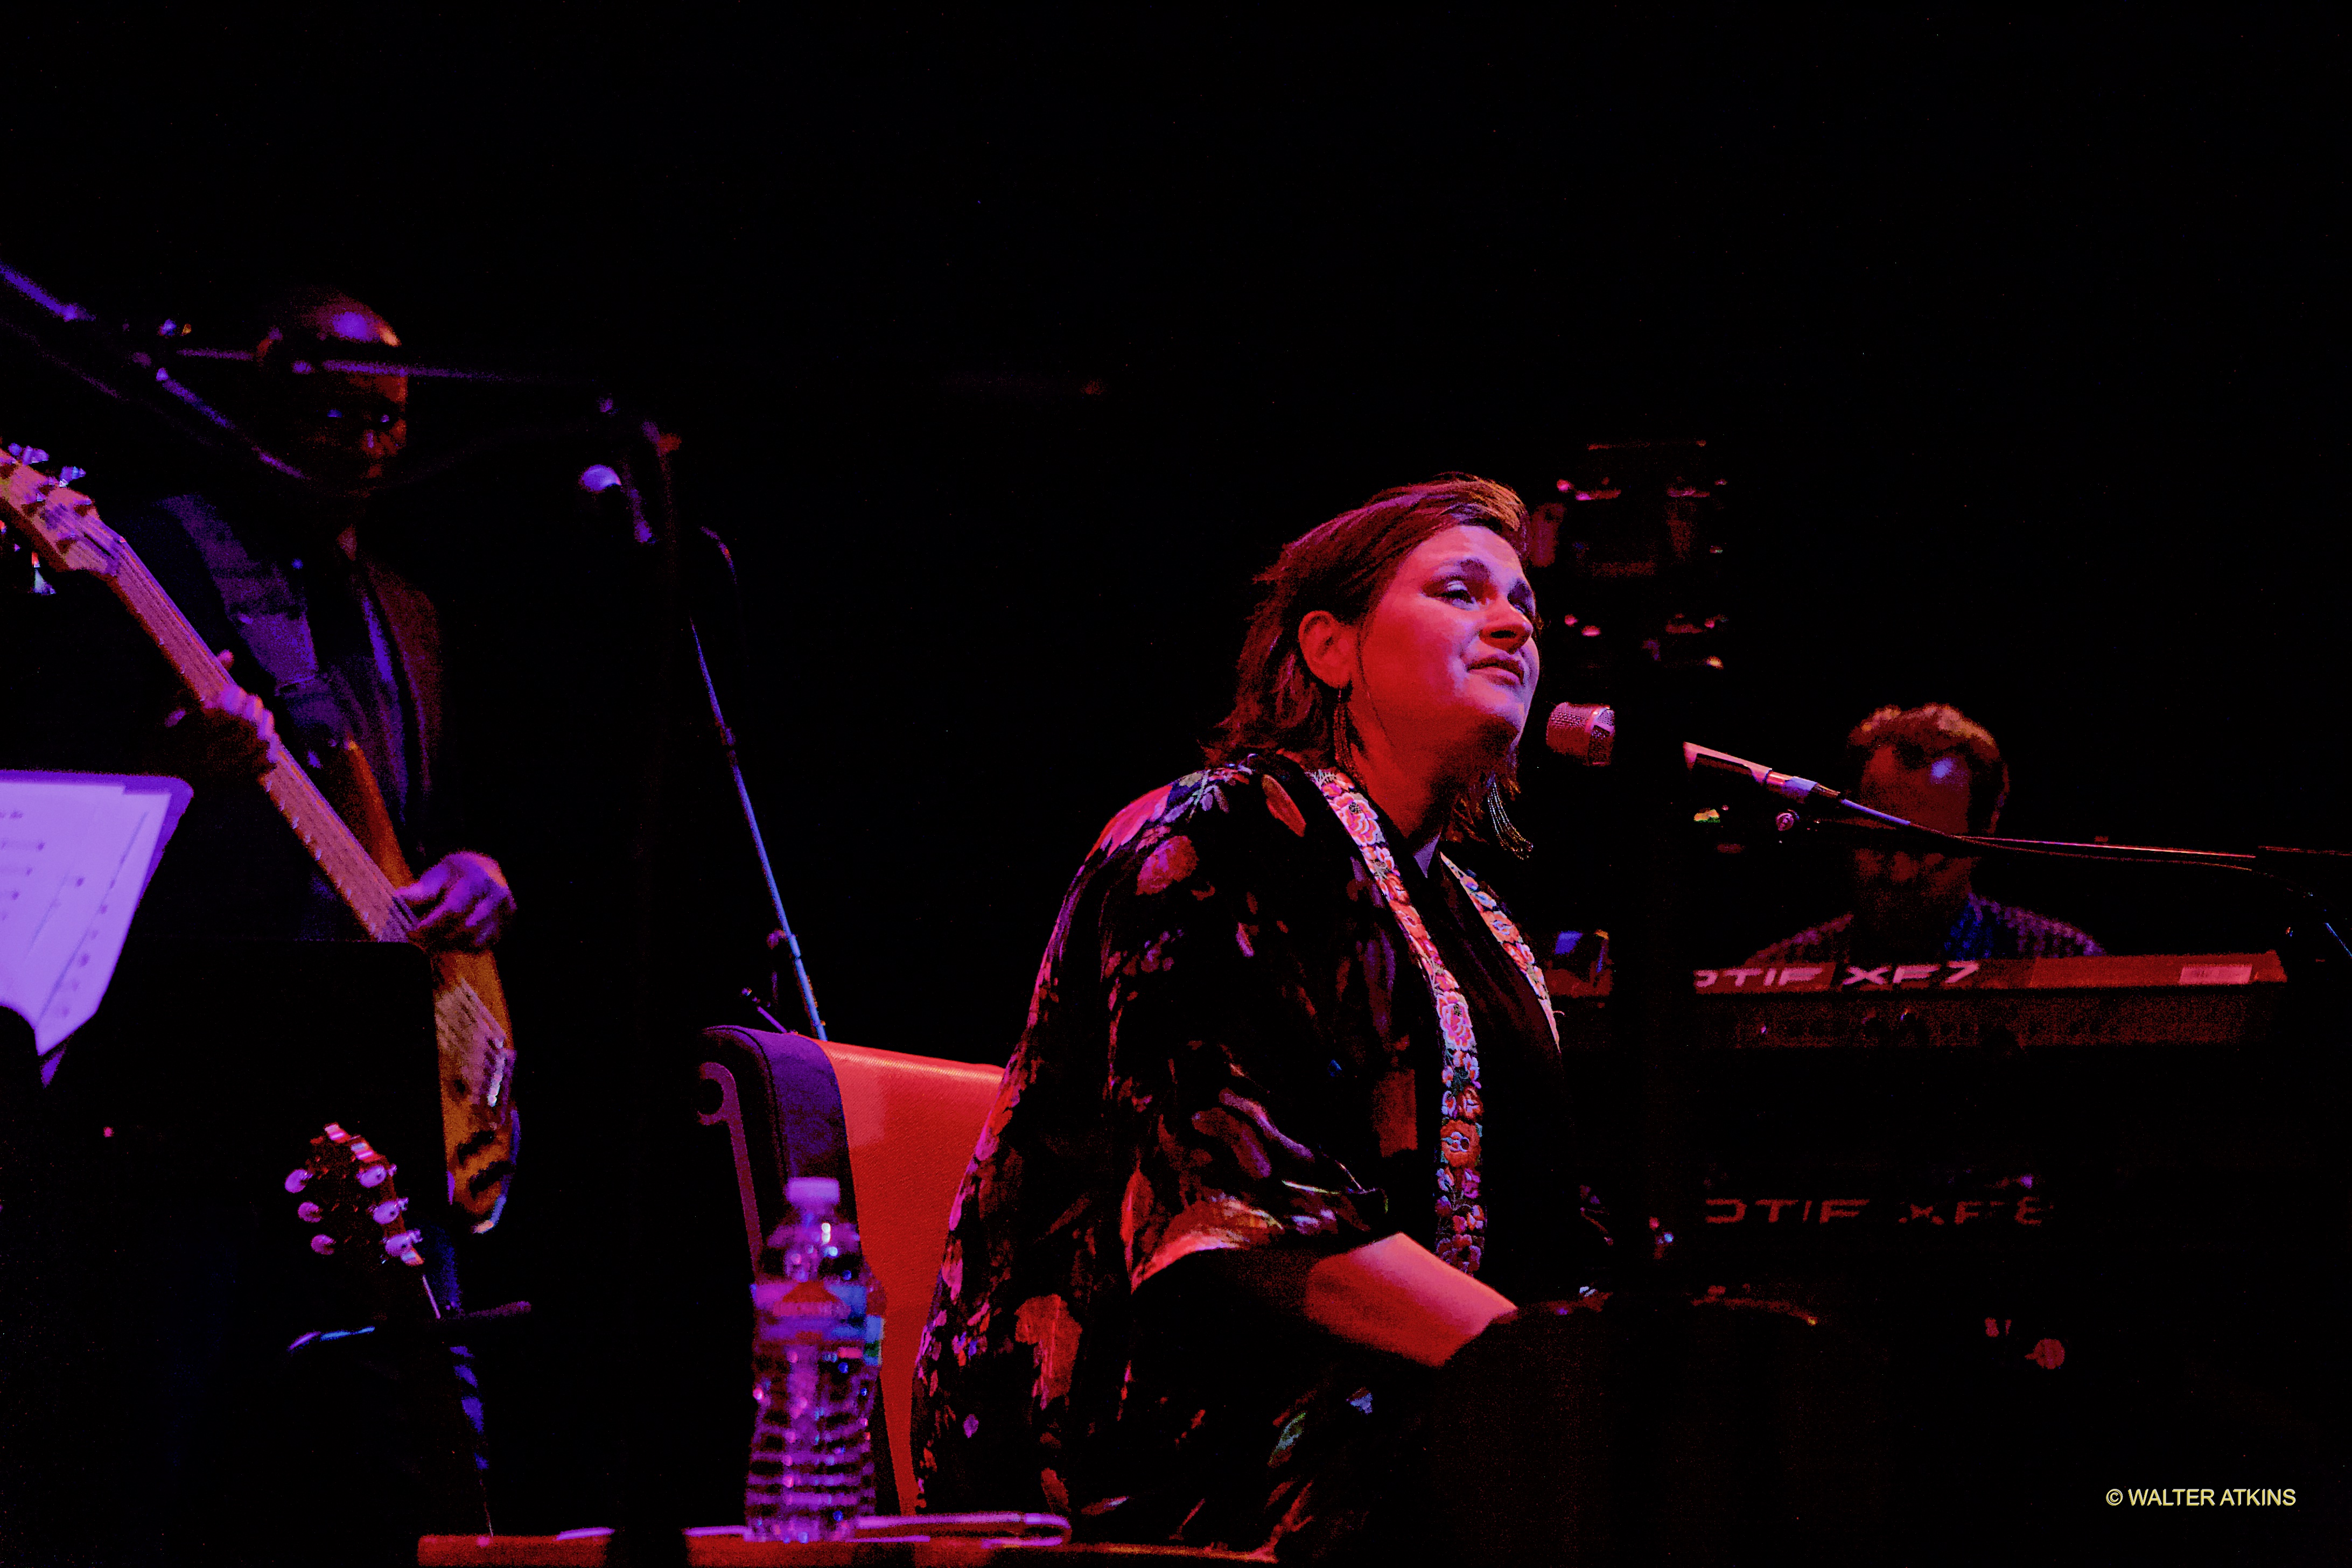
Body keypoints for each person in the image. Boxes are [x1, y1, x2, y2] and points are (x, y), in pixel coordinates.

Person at [911, 477, 1607, 1560]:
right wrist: (1544, 1371)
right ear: (1328, 648)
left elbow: (1544, 1216)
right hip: (1173, 1440)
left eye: (1525, 605)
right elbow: (1232, 1217)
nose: (1515, 623)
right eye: (1462, 592)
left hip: (1406, 1409)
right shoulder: (1210, 840)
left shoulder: (1474, 915)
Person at [0, 288, 513, 1565]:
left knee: (405, 1463)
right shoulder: (162, 552)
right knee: (151, 1456)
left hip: (386, 1076)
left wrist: (478, 877)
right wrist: (175, 758)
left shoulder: (410, 609)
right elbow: (59, 785)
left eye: (388, 416)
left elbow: (413, 827)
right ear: (260, 407)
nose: (365, 441)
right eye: (330, 411)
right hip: (194, 1083)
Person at [1747, 702, 2100, 966]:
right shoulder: (1780, 971)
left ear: (1982, 837)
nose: (1901, 871)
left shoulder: (2061, 960)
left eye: (1925, 848)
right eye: (1879, 843)